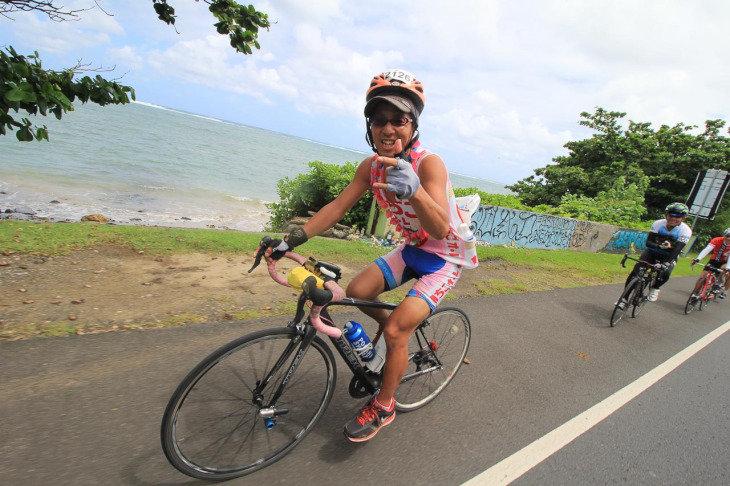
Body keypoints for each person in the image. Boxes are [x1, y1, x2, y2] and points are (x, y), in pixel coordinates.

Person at [259, 69, 478, 442]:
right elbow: (337, 208)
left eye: (399, 120)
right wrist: (289, 241)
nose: (388, 128)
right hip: (412, 249)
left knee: (396, 330)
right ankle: (393, 339)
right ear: (369, 125)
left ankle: (385, 405)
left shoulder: (429, 165)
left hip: (444, 258)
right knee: (359, 291)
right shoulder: (371, 166)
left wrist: (416, 192)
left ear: (413, 126)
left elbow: (441, 227)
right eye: (379, 120)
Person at [619, 202, 692, 307]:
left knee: (665, 273)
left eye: (678, 217)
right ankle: (624, 299)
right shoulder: (658, 224)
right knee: (635, 273)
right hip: (653, 251)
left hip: (669, 255)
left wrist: (666, 263)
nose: (673, 218)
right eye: (671, 215)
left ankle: (655, 287)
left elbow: (677, 249)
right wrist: (658, 246)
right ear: (666, 215)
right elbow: (648, 242)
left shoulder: (685, 231)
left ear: (683, 218)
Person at [690, 228, 730, 299]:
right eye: (727, 236)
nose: (729, 238)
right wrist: (698, 259)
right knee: (703, 276)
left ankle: (720, 286)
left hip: (726, 262)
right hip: (714, 260)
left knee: (724, 269)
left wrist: (728, 268)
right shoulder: (717, 240)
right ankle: (695, 292)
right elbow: (707, 249)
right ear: (724, 235)